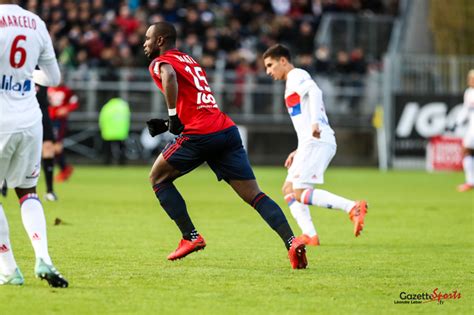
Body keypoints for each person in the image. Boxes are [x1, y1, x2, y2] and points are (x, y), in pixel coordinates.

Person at [143, 22, 307, 269]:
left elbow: (169, 76)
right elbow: (198, 104)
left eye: (147, 38)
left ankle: (190, 236)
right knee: (255, 194)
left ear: (160, 41)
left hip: (201, 134)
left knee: (158, 178)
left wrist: (173, 116)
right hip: (225, 129)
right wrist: (170, 123)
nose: (144, 43)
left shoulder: (160, 63)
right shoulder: (190, 61)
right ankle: (292, 241)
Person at [262, 44, 368, 245]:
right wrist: (299, 149)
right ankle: (310, 235)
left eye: (270, 65)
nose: (268, 71)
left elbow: (315, 92)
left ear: (283, 61)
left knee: (300, 192)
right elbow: (304, 117)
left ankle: (352, 207)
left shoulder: (296, 75)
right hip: (309, 142)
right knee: (288, 189)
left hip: (317, 140)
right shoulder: (291, 81)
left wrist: (316, 123)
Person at [0, 0, 68, 287]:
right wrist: (29, 75)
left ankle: (9, 269)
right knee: (28, 192)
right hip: (30, 120)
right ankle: (44, 258)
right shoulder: (36, 23)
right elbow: (53, 78)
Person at [47, 80, 79, 182]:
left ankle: (64, 169)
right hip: (48, 119)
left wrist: (66, 109)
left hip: (59, 121)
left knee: (56, 146)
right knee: (49, 146)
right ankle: (63, 169)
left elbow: (75, 103)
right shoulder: (48, 89)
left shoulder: (67, 91)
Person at [38, 84, 58, 201]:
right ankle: (3, 181)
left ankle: (50, 190)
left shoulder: (41, 68)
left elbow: (55, 79)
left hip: (42, 112)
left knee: (48, 147)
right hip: (20, 112)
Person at [455, 69, 474, 192]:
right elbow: (466, 110)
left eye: (471, 78)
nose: (470, 80)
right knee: (467, 151)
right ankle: (470, 181)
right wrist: (458, 121)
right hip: (472, 127)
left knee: (466, 151)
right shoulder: (469, 92)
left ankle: (470, 182)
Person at [98, 97, 131, 165]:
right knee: (121, 148)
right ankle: (122, 162)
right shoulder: (123, 107)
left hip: (108, 132)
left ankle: (107, 162)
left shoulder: (107, 107)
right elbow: (128, 119)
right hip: (121, 132)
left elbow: (102, 119)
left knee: (108, 149)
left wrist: (102, 129)